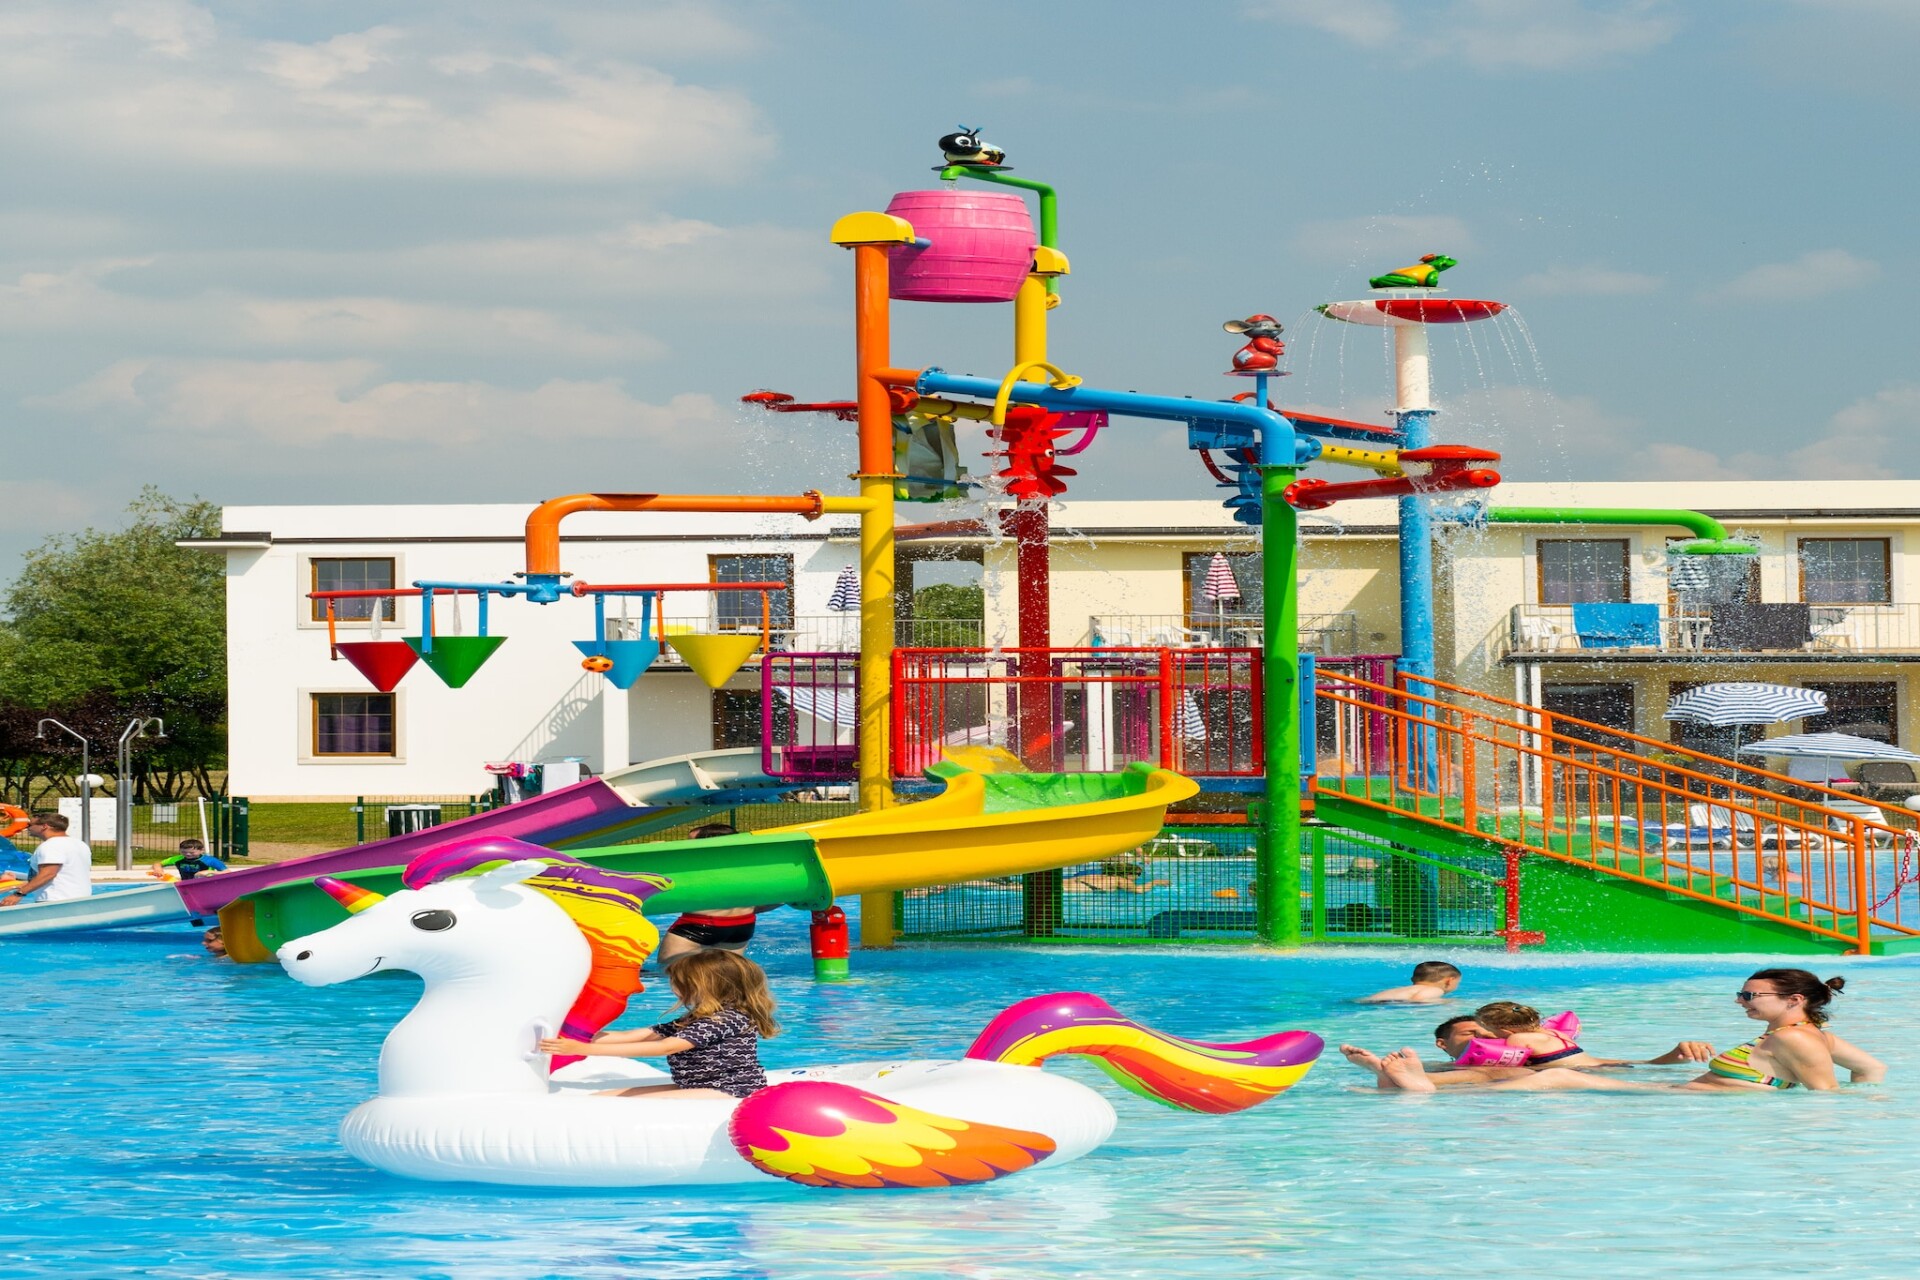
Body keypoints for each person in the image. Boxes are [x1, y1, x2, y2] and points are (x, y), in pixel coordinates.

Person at [1349, 969, 1884, 1094]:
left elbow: (1824, 1097)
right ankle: (1413, 1085)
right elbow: (1871, 1069)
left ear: (1792, 1000)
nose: (1740, 1002)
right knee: (1553, 1078)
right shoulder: (1811, 1034)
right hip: (1683, 1090)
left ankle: (1421, 1089)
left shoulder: (1795, 1037)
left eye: (1750, 996)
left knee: (1555, 1079)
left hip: (1690, 1100)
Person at [538, 949, 778, 1100]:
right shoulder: (701, 1016)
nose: (673, 986)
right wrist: (577, 1035)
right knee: (602, 1097)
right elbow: (646, 1034)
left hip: (730, 1089)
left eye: (679, 982)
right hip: (699, 1085)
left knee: (621, 1106)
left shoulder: (726, 1019)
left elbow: (666, 1047)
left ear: (707, 986)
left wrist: (585, 1049)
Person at [657, 823, 771, 967]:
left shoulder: (696, 865)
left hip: (698, 926)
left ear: (707, 844)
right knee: (725, 976)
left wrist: (658, 851)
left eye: (691, 841)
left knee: (668, 972)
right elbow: (771, 900)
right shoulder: (751, 865)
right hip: (742, 926)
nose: (685, 845)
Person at [0, 813, 92, 907]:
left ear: (44, 826)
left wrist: (19, 894)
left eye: (30, 825)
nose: (27, 828)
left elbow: (48, 874)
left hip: (56, 901)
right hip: (81, 898)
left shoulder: (51, 845)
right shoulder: (80, 844)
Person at [1358, 960, 1461, 1004]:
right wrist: (1446, 1002)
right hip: (1384, 1005)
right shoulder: (1434, 990)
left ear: (1412, 979)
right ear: (1449, 981)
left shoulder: (1401, 990)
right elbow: (1419, 1000)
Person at [1064, 859, 1172, 893]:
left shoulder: (1100, 875)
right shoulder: (1120, 880)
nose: (1139, 877)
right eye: (1138, 874)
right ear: (1128, 874)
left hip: (1065, 883)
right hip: (1076, 889)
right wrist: (1155, 882)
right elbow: (1139, 890)